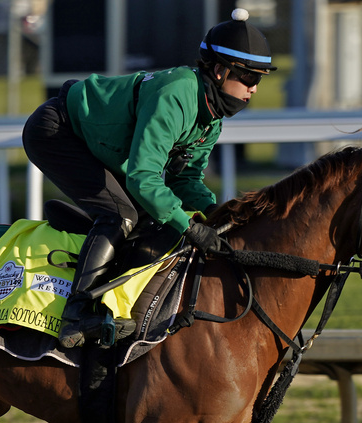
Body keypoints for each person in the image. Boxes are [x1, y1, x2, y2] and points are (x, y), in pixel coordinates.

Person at [23, 8, 276, 348]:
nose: (255, 89)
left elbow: (185, 181)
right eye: (249, 78)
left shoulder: (211, 117)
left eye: (259, 80)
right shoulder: (177, 93)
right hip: (58, 131)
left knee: (154, 218)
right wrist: (189, 227)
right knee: (122, 213)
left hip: (99, 145)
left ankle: (113, 292)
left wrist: (218, 216)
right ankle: (78, 313)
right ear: (219, 71)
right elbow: (144, 177)